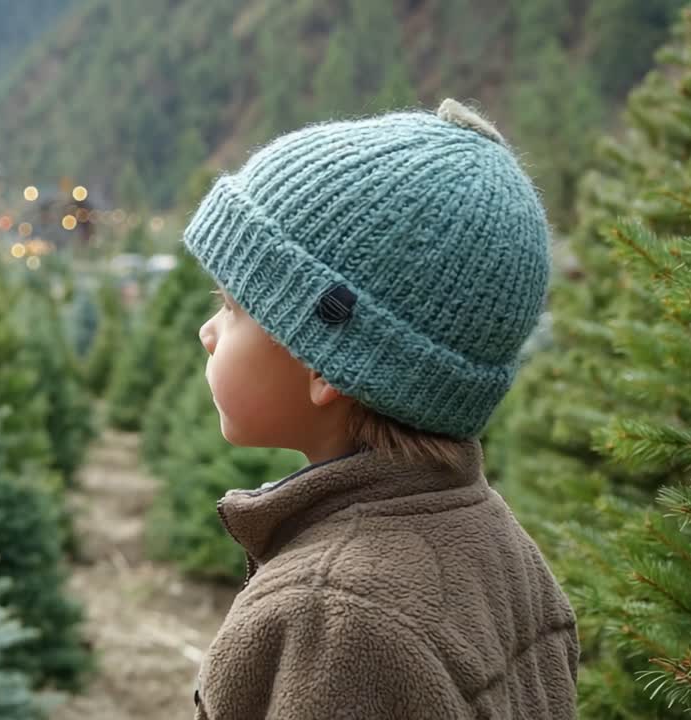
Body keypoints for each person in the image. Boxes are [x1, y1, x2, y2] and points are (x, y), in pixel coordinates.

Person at [184, 99, 578, 719]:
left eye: (232, 306)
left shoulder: (331, 621)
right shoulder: (495, 541)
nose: (209, 331)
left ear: (323, 362)